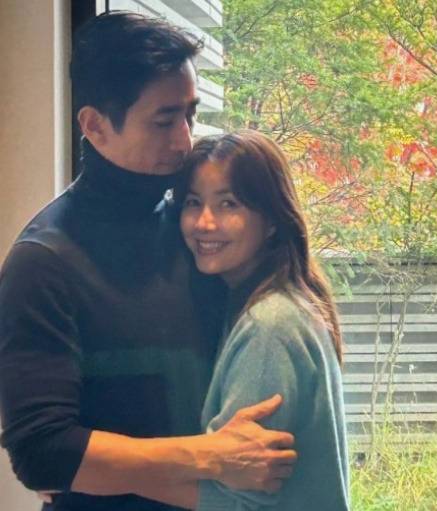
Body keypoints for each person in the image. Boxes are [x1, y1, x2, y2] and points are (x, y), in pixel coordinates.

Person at [0, 12, 296, 511]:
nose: (184, 140)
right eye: (164, 121)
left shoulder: (195, 231)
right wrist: (211, 456)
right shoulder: (43, 263)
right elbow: (43, 453)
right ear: (95, 125)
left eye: (190, 115)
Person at [175, 130, 350, 510]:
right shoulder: (272, 304)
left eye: (228, 204)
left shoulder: (269, 327)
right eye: (193, 202)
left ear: (271, 220)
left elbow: (237, 501)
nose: (204, 222)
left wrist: (103, 478)